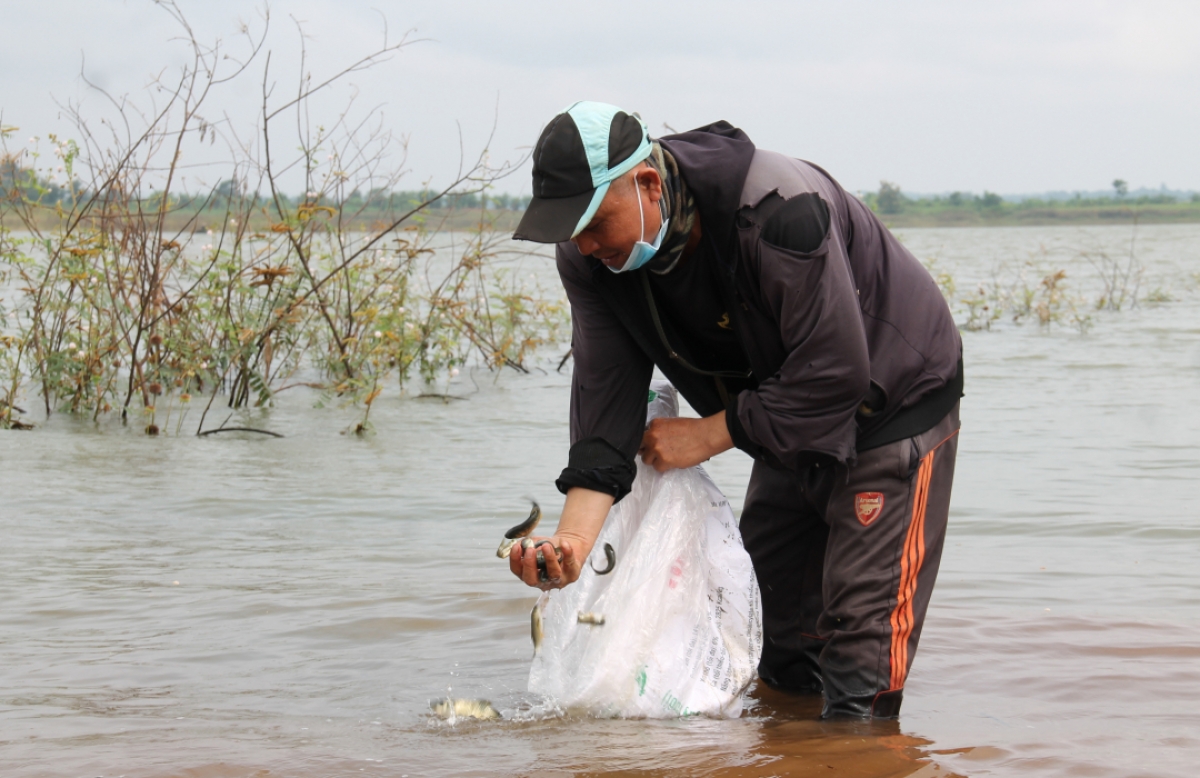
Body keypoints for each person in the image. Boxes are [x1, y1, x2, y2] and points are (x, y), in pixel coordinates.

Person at [508, 101, 962, 719]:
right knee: (768, 638)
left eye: (593, 222)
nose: (584, 245)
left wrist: (710, 434)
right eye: (569, 231)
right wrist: (573, 543)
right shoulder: (594, 263)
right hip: (776, 406)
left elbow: (836, 372)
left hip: (890, 400)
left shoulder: (777, 211)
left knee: (862, 658)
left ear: (645, 184)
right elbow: (605, 399)